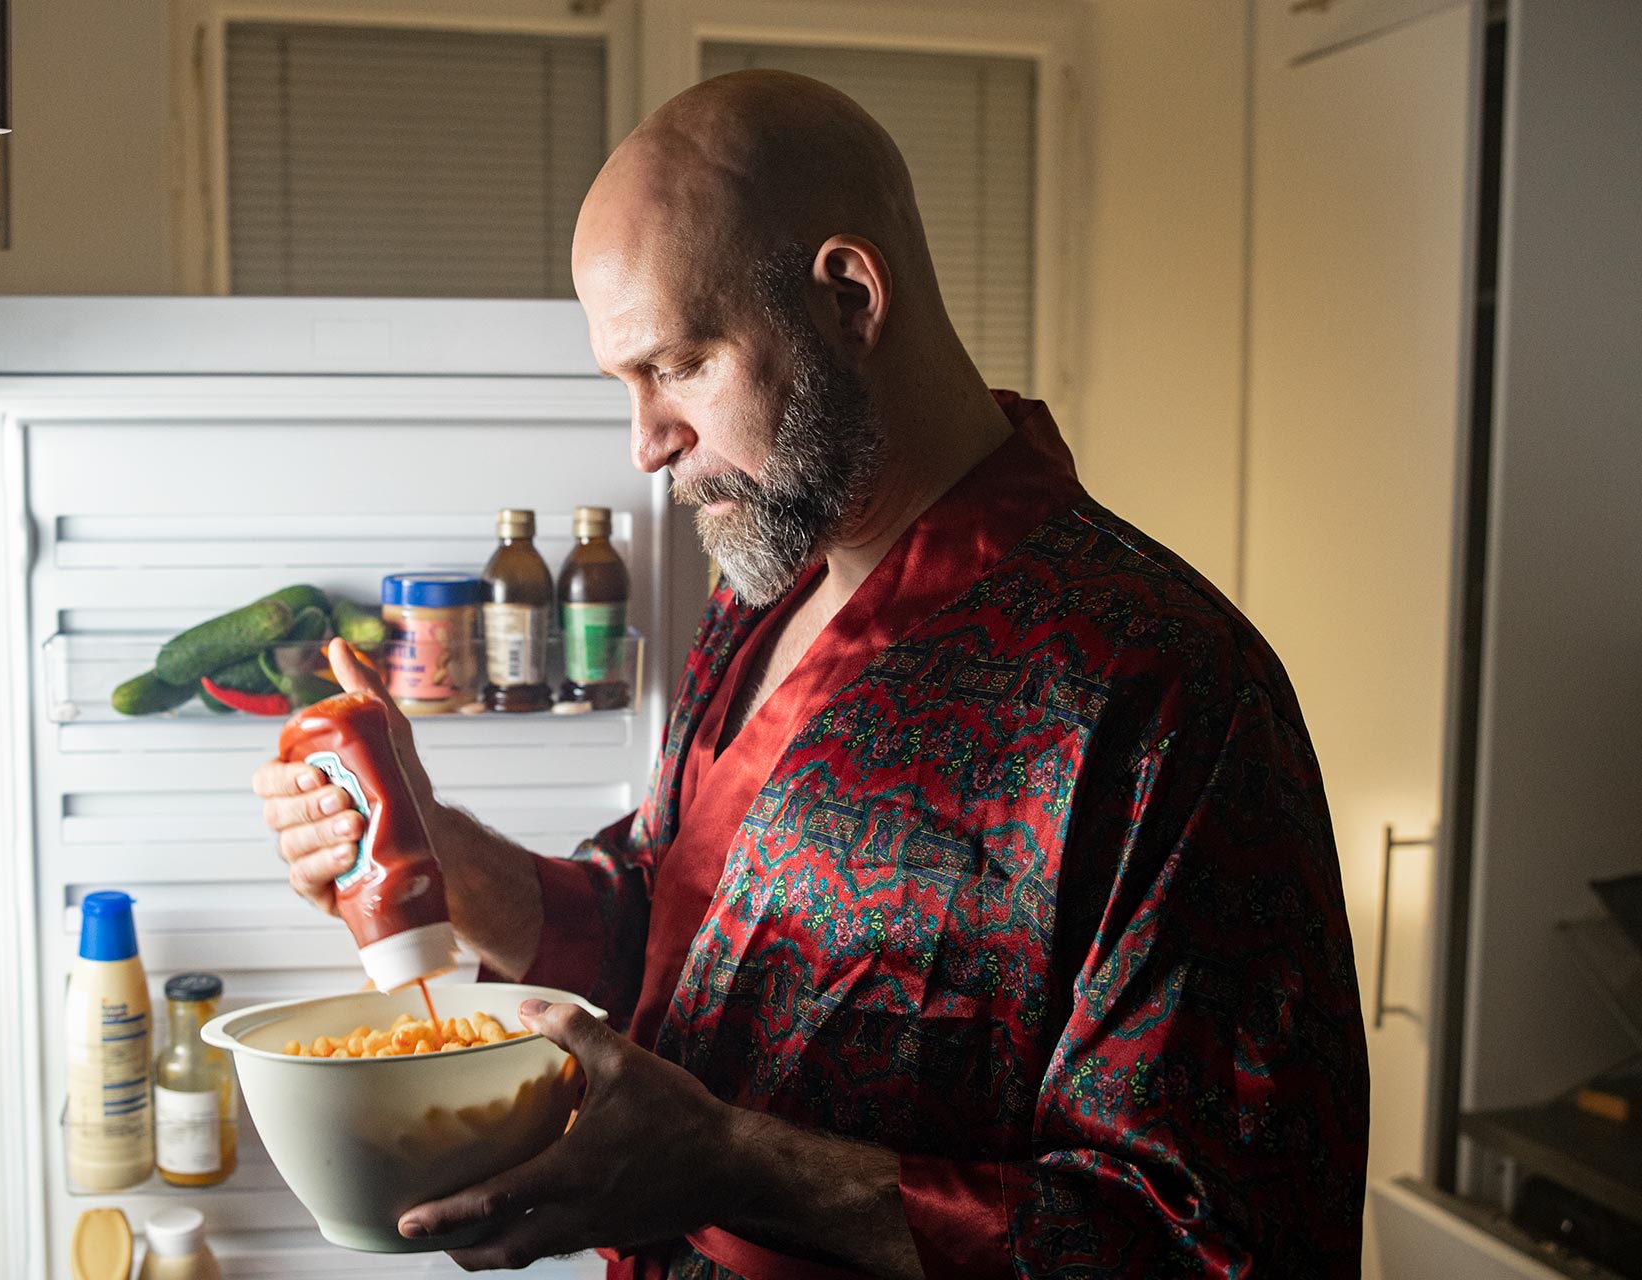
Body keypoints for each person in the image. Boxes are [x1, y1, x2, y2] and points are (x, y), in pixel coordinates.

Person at [252, 70, 1369, 1279]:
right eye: (622, 384)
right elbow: (682, 925)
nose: (644, 442)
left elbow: (1222, 1242)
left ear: (847, 295)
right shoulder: (764, 589)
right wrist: (449, 859)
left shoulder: (1169, 690)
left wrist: (733, 1163)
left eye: (676, 366)